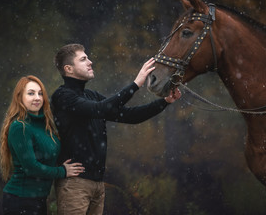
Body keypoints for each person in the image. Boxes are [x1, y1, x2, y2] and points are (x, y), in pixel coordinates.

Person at [51, 44, 181, 215]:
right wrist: (136, 83)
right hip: (75, 184)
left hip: (98, 185)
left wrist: (164, 102)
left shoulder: (92, 96)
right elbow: (101, 109)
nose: (90, 62)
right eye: (83, 59)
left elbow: (131, 116)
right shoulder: (63, 96)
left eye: (88, 57)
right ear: (69, 69)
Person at [0, 75, 85, 215]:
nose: (37, 98)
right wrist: (62, 171)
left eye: (40, 93)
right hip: (20, 200)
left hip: (39, 200)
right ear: (20, 97)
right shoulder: (20, 127)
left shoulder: (46, 125)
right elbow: (32, 168)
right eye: (31, 93)